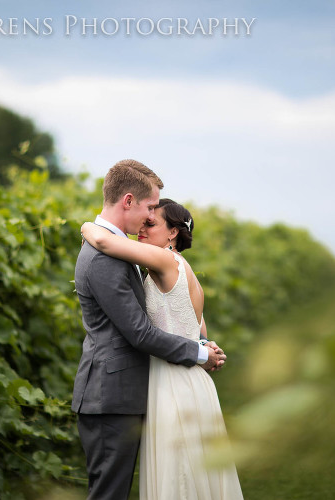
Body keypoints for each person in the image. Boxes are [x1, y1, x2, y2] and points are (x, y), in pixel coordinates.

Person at [72, 159, 227, 500]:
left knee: (179, 480)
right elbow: (140, 332)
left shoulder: (135, 254)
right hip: (110, 396)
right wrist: (200, 350)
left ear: (174, 231)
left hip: (144, 389)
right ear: (128, 201)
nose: (149, 217)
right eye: (150, 207)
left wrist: (88, 226)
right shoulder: (103, 256)